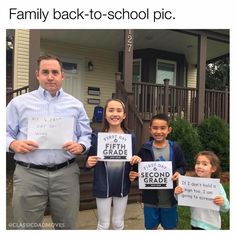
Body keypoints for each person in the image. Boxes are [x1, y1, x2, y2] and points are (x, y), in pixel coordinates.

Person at [6, 54, 92, 229]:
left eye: (55, 72)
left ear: (62, 76)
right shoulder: (18, 103)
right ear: (38, 75)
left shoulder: (75, 105)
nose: (50, 76)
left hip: (66, 173)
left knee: (66, 226)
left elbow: (86, 134)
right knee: (25, 227)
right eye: (45, 72)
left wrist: (81, 145)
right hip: (29, 174)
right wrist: (13, 144)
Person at [85, 98, 141, 230]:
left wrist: (136, 162)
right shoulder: (97, 137)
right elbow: (89, 161)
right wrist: (88, 163)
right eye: (111, 110)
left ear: (124, 115)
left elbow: (134, 161)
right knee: (103, 224)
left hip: (122, 184)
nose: (115, 114)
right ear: (105, 114)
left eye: (119, 110)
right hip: (102, 184)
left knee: (118, 222)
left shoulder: (130, 137)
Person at [129, 113, 186, 230]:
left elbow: (182, 166)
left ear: (169, 130)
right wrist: (134, 172)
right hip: (150, 200)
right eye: (155, 128)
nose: (158, 131)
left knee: (170, 228)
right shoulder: (145, 149)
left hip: (169, 200)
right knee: (151, 228)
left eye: (163, 128)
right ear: (150, 130)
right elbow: (137, 172)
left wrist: (179, 172)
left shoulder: (175, 148)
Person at [174, 151, 229, 230]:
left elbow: (226, 208)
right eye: (197, 163)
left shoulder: (217, 186)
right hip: (195, 223)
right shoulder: (190, 184)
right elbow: (182, 201)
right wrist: (177, 193)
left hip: (212, 226)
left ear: (213, 169)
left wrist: (223, 202)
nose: (199, 166)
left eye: (204, 164)